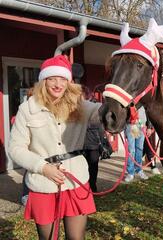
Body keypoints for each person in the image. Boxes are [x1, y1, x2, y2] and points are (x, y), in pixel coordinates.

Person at [8, 55, 100, 239]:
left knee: (77, 237)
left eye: (62, 79)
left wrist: (120, 98)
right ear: (43, 81)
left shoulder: (80, 105)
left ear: (68, 82)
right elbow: (15, 148)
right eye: (52, 79)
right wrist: (43, 168)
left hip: (76, 182)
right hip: (43, 184)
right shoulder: (27, 109)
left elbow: (104, 113)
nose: (58, 84)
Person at [124, 106, 152, 182]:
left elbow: (148, 110)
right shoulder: (129, 98)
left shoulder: (142, 98)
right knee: (131, 150)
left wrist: (149, 126)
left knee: (139, 149)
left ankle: (139, 170)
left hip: (141, 125)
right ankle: (130, 173)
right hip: (131, 125)